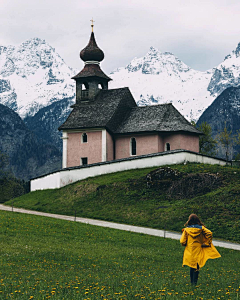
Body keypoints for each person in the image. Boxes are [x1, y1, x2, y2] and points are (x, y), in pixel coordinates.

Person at [180, 214, 221, 285]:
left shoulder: (186, 230)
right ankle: (194, 283)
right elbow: (210, 233)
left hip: (190, 250)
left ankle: (192, 283)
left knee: (191, 265)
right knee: (196, 266)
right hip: (198, 249)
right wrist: (207, 243)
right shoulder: (202, 229)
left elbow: (182, 241)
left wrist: (185, 243)